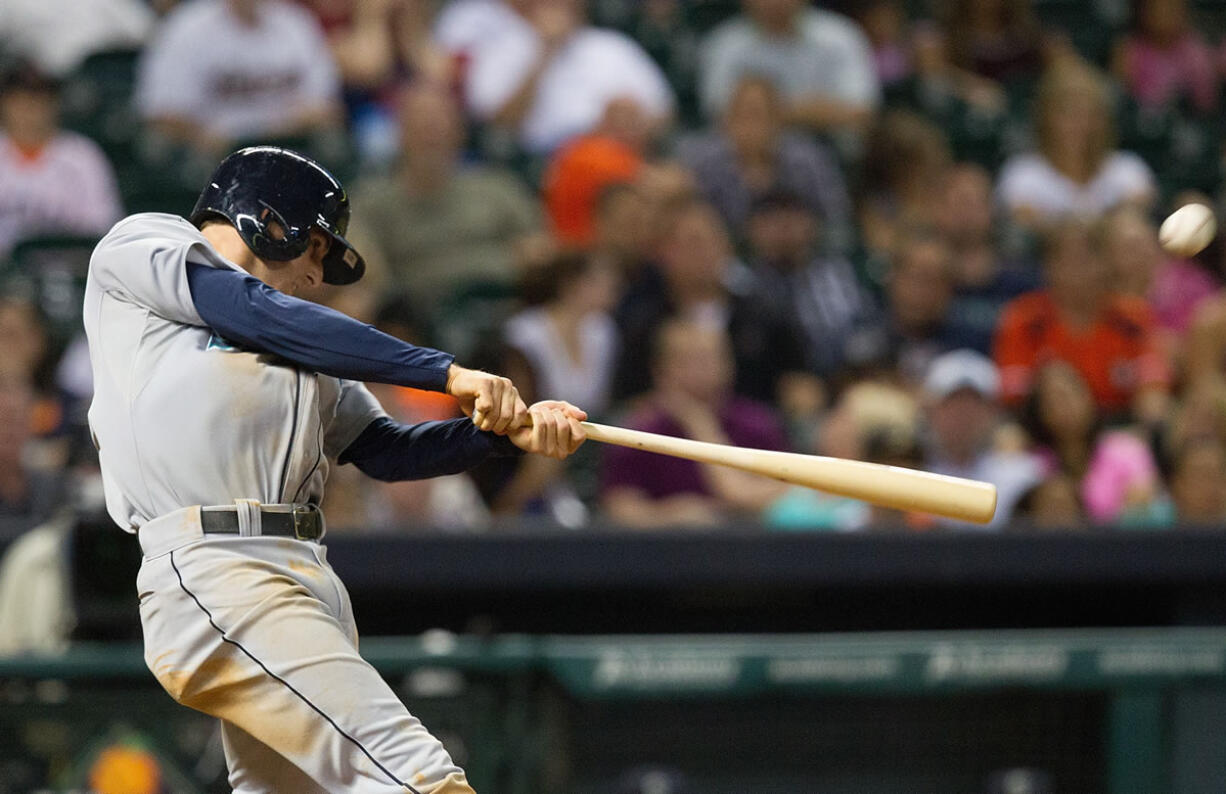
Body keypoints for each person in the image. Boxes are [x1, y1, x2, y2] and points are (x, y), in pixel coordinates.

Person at [83, 146, 587, 792]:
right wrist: (445, 372)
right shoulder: (144, 246)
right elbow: (246, 308)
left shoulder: (302, 348)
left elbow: (385, 449)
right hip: (217, 567)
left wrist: (501, 436)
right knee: (418, 776)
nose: (317, 275)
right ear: (266, 219)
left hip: (305, 575)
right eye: (316, 248)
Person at [348, 80, 541, 316]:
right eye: (421, 125)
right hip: (419, 317)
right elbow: (367, 272)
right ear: (400, 133)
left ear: (459, 132)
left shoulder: (498, 188)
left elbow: (540, 251)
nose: (431, 133)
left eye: (440, 125)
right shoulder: (373, 203)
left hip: (504, 307)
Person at [601, 319, 789, 528]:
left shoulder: (757, 424)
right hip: (663, 549)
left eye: (710, 358)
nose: (701, 370)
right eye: (687, 360)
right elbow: (620, 507)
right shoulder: (637, 433)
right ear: (660, 369)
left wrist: (700, 424)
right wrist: (668, 516)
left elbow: (785, 492)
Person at [994, 219, 1171, 422]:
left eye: (1088, 259)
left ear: (1106, 264)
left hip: (1118, 430)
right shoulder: (1024, 319)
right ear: (1049, 268)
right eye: (1069, 260)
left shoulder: (1134, 318)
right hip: (1042, 431)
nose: (1079, 271)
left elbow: (1154, 389)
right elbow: (1013, 398)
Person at [459, 0, 674, 154]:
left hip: (617, 154)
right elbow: (500, 124)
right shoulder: (504, 47)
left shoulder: (611, 45)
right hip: (540, 162)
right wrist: (545, 53)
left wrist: (629, 122)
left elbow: (664, 112)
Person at [135, 0, 343, 155]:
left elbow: (325, 107)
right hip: (211, 160)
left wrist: (267, 130)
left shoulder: (295, 22)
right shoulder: (186, 27)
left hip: (288, 149)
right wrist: (203, 137)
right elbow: (161, 114)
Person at [676, 75, 852, 246]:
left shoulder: (807, 161)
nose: (751, 126)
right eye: (742, 115)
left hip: (798, 257)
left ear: (778, 120)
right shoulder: (702, 163)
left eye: (759, 115)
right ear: (726, 120)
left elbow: (835, 217)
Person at [996, 61, 1156, 229]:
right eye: (1067, 112)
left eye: (1088, 114)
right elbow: (1024, 222)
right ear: (1045, 117)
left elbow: (1140, 207)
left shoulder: (1127, 169)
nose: (1079, 124)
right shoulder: (1022, 174)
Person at [699, 0, 880, 135]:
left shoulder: (841, 36)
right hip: (747, 155)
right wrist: (811, 109)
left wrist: (770, 111)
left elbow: (861, 110)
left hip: (833, 148)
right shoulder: (725, 45)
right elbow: (719, 113)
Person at [0, 61, 123, 258]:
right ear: (5, 104)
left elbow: (103, 231)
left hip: (67, 273)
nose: (30, 109)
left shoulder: (83, 157)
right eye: (21, 100)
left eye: (40, 100)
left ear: (55, 104)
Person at [919, 349, 1041, 529]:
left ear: (993, 411)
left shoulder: (1023, 477)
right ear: (931, 411)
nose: (963, 415)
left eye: (975, 404)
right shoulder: (904, 476)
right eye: (952, 403)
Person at [1112, 0, 1218, 114]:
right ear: (1144, 11)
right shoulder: (1128, 50)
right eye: (1160, 7)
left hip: (1188, 122)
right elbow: (1119, 101)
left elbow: (1206, 102)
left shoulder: (1195, 50)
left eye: (1173, 7)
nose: (1167, 13)